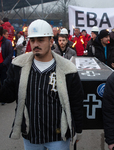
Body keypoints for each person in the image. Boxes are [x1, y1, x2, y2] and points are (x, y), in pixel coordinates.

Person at [0, 19, 83, 150]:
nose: (35, 44)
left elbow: (76, 102)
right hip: (31, 136)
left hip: (58, 137)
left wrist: (77, 129)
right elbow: (7, 95)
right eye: (32, 40)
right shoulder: (18, 66)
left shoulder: (68, 69)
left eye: (40, 40)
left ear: (51, 41)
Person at [0, 26, 13, 105]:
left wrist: (4, 63)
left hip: (3, 65)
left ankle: (3, 97)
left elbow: (10, 54)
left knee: (3, 81)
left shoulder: (7, 42)